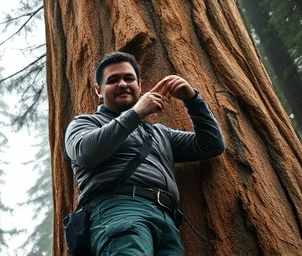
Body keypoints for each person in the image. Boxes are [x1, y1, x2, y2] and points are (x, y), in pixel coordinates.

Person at [64, 51, 225, 255]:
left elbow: (211, 145)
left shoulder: (159, 133)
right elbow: (84, 152)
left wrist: (192, 99)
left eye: (129, 78)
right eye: (113, 80)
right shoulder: (85, 123)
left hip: (167, 222)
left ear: (139, 85)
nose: (123, 84)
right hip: (119, 211)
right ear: (99, 90)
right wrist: (137, 113)